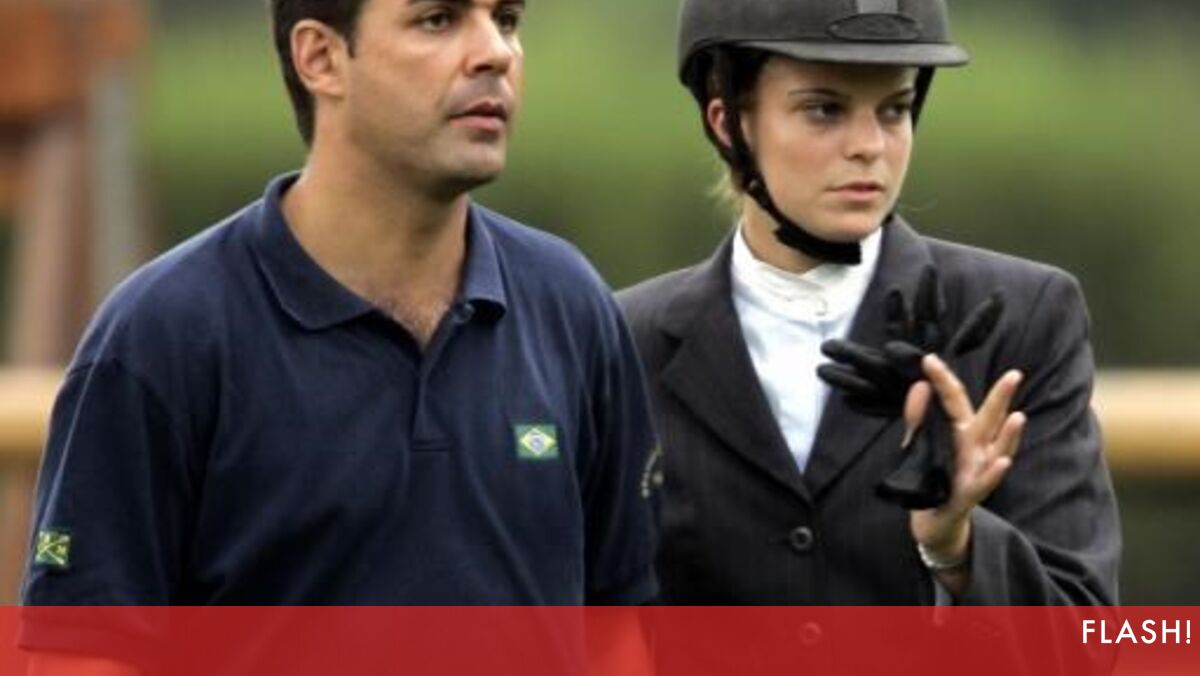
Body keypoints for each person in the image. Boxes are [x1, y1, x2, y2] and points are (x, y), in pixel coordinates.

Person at [20, 0, 657, 672]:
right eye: (438, 20)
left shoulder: (572, 306)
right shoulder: (162, 336)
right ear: (320, 58)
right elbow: (80, 658)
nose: (494, 53)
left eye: (505, 19)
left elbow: (615, 636)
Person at [618, 0, 1119, 606]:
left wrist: (957, 546)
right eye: (824, 109)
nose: (869, 146)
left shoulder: (1025, 318)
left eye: (895, 109)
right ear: (728, 123)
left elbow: (1090, 634)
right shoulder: (623, 338)